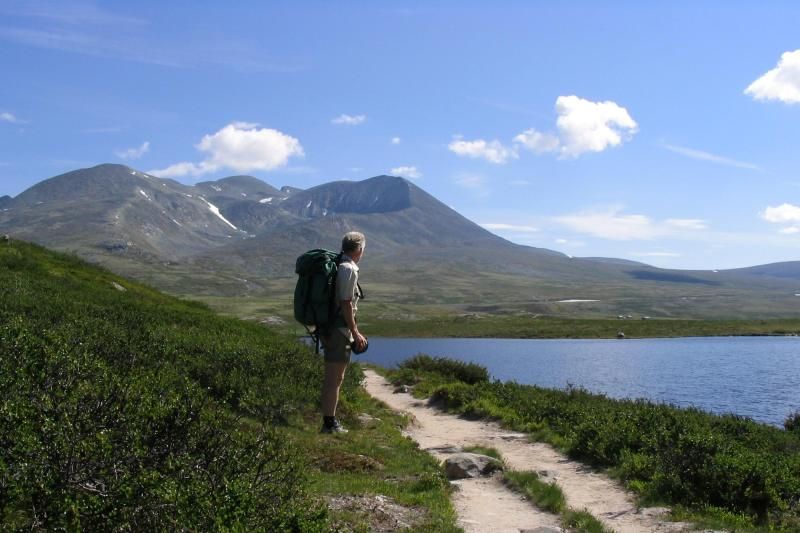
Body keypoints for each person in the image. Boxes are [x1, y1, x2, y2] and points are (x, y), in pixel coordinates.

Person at [320, 231, 367, 434]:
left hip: (330, 326)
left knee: (334, 377)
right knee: (334, 378)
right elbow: (346, 302)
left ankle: (329, 421)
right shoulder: (348, 269)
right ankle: (329, 425)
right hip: (339, 329)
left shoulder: (338, 265)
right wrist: (355, 332)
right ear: (359, 249)